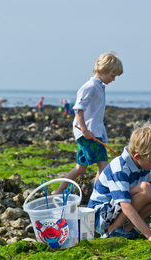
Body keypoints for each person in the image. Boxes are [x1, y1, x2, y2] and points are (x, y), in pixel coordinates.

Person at [87, 122, 151, 242]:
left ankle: (126, 229)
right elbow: (125, 206)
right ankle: (113, 230)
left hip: (116, 210)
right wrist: (150, 235)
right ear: (137, 156)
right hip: (100, 216)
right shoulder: (119, 168)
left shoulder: (143, 165)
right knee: (145, 189)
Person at [55, 52, 123, 195]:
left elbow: (95, 114)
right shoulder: (90, 86)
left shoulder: (100, 86)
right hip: (88, 133)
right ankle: (96, 197)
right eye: (112, 75)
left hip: (93, 132)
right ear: (103, 71)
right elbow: (78, 109)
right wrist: (85, 130)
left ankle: (58, 192)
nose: (114, 79)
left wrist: (102, 134)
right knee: (104, 167)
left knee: (81, 168)